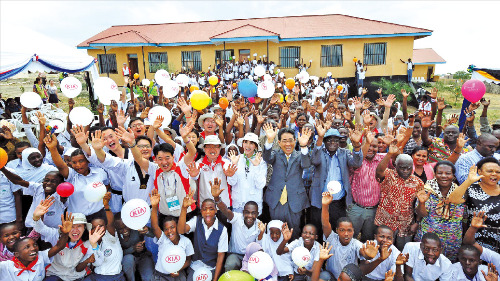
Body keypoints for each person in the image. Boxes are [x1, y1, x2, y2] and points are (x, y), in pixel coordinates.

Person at [309, 121, 363, 238]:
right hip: (320, 201)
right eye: (329, 140)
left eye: (336, 140)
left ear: (340, 142)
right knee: (318, 230)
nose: (333, 142)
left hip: (338, 203)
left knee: (335, 232)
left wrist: (357, 145)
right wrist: (320, 137)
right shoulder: (320, 153)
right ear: (324, 142)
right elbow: (314, 161)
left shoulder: (345, 153)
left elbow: (357, 163)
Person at [262, 124, 312, 239]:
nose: (288, 144)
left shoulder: (301, 155)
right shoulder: (275, 154)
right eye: (284, 141)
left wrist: (304, 146)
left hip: (294, 200)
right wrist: (269, 141)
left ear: (295, 141)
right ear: (279, 142)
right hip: (276, 200)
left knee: (294, 229)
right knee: (275, 230)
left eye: (291, 140)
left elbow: (306, 164)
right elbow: (267, 157)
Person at [375, 142, 424, 250]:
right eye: (402, 168)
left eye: (409, 168)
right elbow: (379, 172)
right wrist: (389, 154)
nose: (405, 171)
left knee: (402, 251)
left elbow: (420, 204)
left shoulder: (418, 183)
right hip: (386, 221)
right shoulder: (388, 175)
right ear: (396, 166)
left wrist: (417, 222)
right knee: (383, 249)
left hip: (406, 225)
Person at [415, 161, 465, 261]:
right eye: (440, 173)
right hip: (430, 238)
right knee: (425, 263)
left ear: (453, 176)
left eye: (448, 173)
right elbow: (422, 214)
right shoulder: (427, 190)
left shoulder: (460, 192)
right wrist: (422, 203)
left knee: (446, 267)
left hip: (452, 239)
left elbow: (463, 218)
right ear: (435, 174)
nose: (443, 176)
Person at [321, 192, 377, 280]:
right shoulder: (332, 238)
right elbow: (325, 224)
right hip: (332, 277)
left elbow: (364, 253)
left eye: (349, 230)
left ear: (353, 231)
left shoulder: (355, 243)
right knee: (324, 275)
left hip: (347, 279)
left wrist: (368, 255)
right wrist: (325, 205)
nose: (346, 234)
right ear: (337, 230)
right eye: (342, 230)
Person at [448, 157, 500, 252]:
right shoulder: (472, 189)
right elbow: (453, 200)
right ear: (479, 172)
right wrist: (468, 181)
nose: (494, 174)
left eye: (497, 172)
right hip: (475, 241)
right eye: (489, 171)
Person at [0, 213, 71, 281]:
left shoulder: (40, 256)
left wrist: (65, 233)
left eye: (35, 245)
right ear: (16, 254)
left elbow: (59, 247)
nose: (33, 248)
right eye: (27, 247)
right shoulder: (6, 266)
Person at [210, 178, 261, 272]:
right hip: (235, 255)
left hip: (251, 257)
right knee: (230, 264)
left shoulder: (260, 225)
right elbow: (225, 210)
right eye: (247, 212)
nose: (250, 216)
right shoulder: (237, 218)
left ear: (257, 214)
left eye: (253, 213)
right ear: (243, 212)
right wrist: (217, 198)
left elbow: (260, 247)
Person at [177, 193, 228, 281]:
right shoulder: (196, 221)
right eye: (204, 209)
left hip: (211, 268)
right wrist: (184, 208)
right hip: (195, 266)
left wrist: (215, 279)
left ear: (216, 210)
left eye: (211, 209)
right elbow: (181, 230)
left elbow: (220, 256)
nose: (207, 212)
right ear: (201, 211)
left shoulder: (222, 230)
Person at [348, 131, 383, 242]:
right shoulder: (356, 159)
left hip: (373, 210)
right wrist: (366, 142)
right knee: (350, 238)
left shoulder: (382, 159)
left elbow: (396, 158)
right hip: (356, 209)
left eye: (374, 146)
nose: (371, 148)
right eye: (368, 145)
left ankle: (364, 260)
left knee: (368, 240)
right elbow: (357, 161)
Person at [150, 189, 193, 280]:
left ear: (177, 227)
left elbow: (188, 260)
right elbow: (154, 226)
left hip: (176, 274)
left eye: (172, 227)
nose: (169, 231)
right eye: (166, 229)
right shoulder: (163, 239)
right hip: (160, 275)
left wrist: (177, 269)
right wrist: (154, 206)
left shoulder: (186, 241)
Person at [83, 192, 125, 281]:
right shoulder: (89, 243)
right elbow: (95, 263)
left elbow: (110, 223)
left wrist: (106, 206)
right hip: (97, 277)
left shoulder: (111, 237)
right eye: (94, 227)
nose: (98, 229)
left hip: (116, 277)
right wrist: (93, 245)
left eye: (101, 226)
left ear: (106, 227)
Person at [227, 132, 267, 213]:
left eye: (251, 143)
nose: (247, 146)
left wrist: (256, 166)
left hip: (253, 205)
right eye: (245, 142)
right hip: (238, 203)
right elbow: (231, 182)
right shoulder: (236, 159)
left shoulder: (261, 162)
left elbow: (260, 185)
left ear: (255, 146)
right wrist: (233, 165)